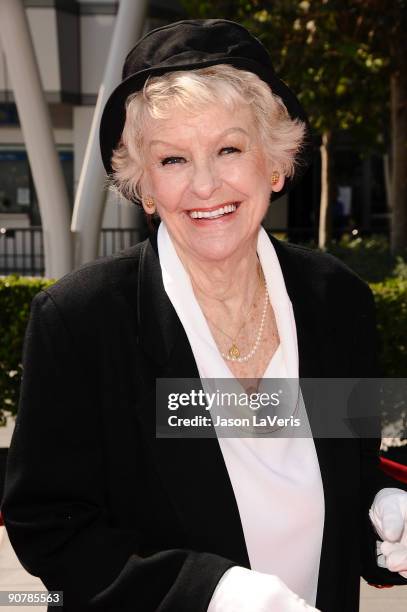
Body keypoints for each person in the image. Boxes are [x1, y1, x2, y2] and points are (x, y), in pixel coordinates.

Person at [2, 18, 407, 612]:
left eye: (229, 148)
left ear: (274, 163)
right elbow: (51, 526)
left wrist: (385, 515)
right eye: (172, 160)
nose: (205, 184)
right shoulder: (82, 321)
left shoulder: (336, 299)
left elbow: (343, 468)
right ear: (144, 186)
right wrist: (213, 594)